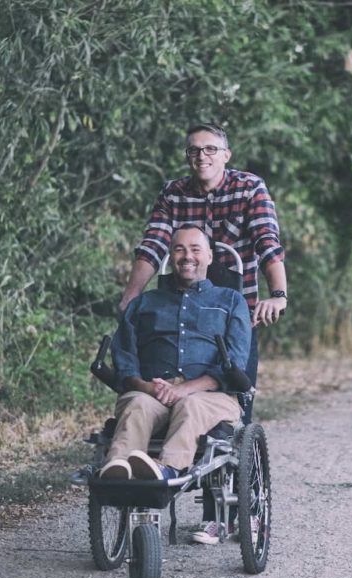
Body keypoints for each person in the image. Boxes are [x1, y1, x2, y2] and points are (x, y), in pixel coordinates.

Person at [118, 122, 287, 418]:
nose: (202, 156)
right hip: (177, 308)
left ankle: (232, 452)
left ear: (226, 155)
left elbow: (266, 243)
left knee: (236, 394)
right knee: (161, 386)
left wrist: (278, 294)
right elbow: (153, 246)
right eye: (194, 150)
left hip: (233, 311)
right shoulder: (174, 193)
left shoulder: (249, 188)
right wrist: (131, 297)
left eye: (210, 149)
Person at [100, 226, 251, 480]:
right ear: (171, 256)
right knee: (137, 404)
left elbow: (235, 359)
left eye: (195, 249)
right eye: (179, 249)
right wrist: (146, 387)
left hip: (211, 396)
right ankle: (117, 469)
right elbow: (125, 357)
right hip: (153, 392)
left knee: (191, 404)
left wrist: (183, 389)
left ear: (210, 256)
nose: (187, 256)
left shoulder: (231, 301)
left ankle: (167, 469)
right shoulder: (144, 303)